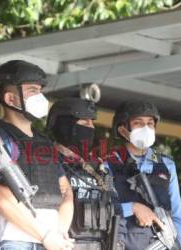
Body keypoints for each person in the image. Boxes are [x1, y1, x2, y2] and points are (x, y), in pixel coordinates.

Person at [0, 60, 75, 250]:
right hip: (14, 241)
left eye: (40, 90)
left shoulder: (44, 142)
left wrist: (58, 232)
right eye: (32, 90)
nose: (40, 96)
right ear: (10, 98)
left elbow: (66, 192)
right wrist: (45, 235)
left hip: (52, 241)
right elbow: (0, 197)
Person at [46, 97, 125, 250]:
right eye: (84, 122)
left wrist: (118, 242)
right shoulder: (46, 164)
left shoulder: (101, 169)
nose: (91, 127)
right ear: (65, 125)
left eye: (92, 122)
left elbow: (116, 207)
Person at [107, 100, 181, 250]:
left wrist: (177, 244)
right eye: (138, 123)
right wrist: (132, 208)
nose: (146, 128)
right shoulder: (108, 163)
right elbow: (102, 209)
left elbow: (177, 216)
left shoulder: (166, 165)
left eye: (150, 123)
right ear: (123, 130)